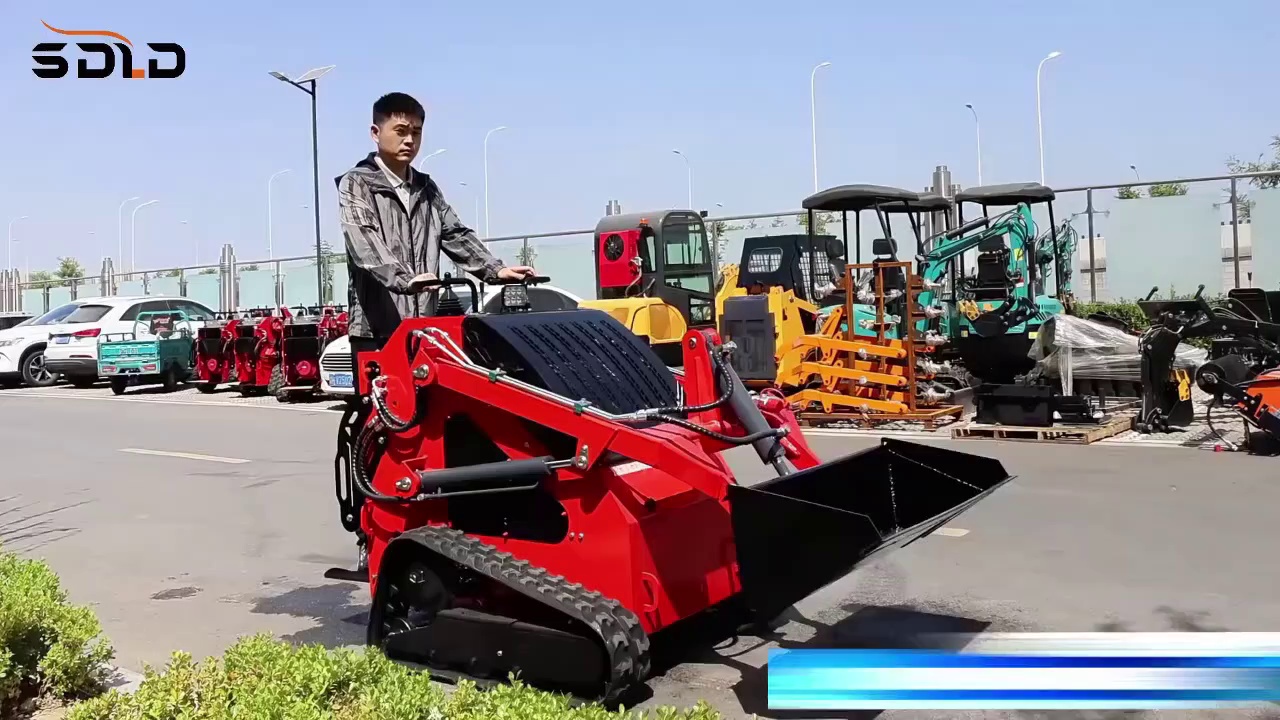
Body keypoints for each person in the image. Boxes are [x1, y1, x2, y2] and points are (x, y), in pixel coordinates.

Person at [333, 92, 534, 571]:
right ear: (375, 132)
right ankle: (371, 532)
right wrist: (403, 277)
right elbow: (365, 245)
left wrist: (495, 270)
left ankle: (437, 527)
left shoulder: (426, 188)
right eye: (400, 131)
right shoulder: (356, 185)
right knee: (380, 432)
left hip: (423, 327)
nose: (408, 140)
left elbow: (456, 235)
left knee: (432, 426)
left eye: (416, 132)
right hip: (378, 329)